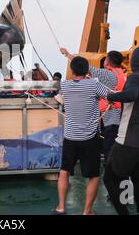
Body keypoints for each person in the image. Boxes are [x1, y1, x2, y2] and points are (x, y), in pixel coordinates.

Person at [103, 47, 139, 215]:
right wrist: (122, 94)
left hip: (130, 139)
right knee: (137, 178)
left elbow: (132, 94)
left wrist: (111, 96)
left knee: (110, 178)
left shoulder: (135, 77)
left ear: (134, 61)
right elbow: (135, 96)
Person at [52, 56, 109, 215]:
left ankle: (61, 207)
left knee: (64, 171)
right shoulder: (93, 84)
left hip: (70, 137)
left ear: (71, 71)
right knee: (93, 175)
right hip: (90, 138)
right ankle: (87, 211)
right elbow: (110, 96)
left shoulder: (65, 85)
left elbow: (58, 96)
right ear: (87, 70)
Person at [60, 48, 126, 161]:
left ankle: (110, 173)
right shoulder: (122, 74)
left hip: (111, 116)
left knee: (108, 148)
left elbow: (86, 68)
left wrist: (68, 55)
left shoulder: (107, 75)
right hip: (119, 115)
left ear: (107, 61)